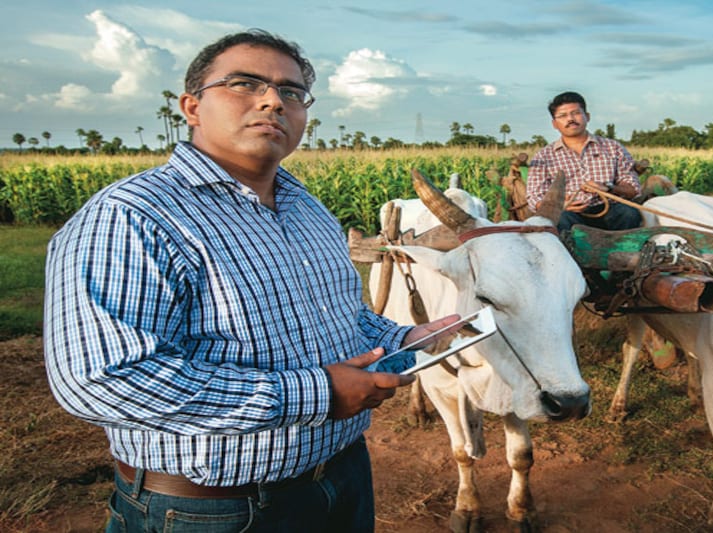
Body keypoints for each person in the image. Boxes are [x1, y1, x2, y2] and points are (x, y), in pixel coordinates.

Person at [44, 29, 458, 533]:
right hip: (213, 508)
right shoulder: (132, 217)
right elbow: (100, 379)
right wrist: (317, 394)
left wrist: (404, 339)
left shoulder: (307, 209)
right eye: (244, 83)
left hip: (342, 477)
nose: (272, 101)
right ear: (192, 107)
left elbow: (342, 316)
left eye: (291, 92)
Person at [526, 91, 644, 233]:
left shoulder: (613, 147)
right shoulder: (544, 156)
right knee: (561, 219)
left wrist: (608, 187)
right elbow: (534, 197)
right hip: (570, 213)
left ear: (587, 117)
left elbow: (633, 188)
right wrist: (561, 205)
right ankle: (569, 254)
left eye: (575, 113)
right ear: (555, 124)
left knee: (629, 213)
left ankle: (626, 252)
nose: (570, 119)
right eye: (563, 116)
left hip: (610, 210)